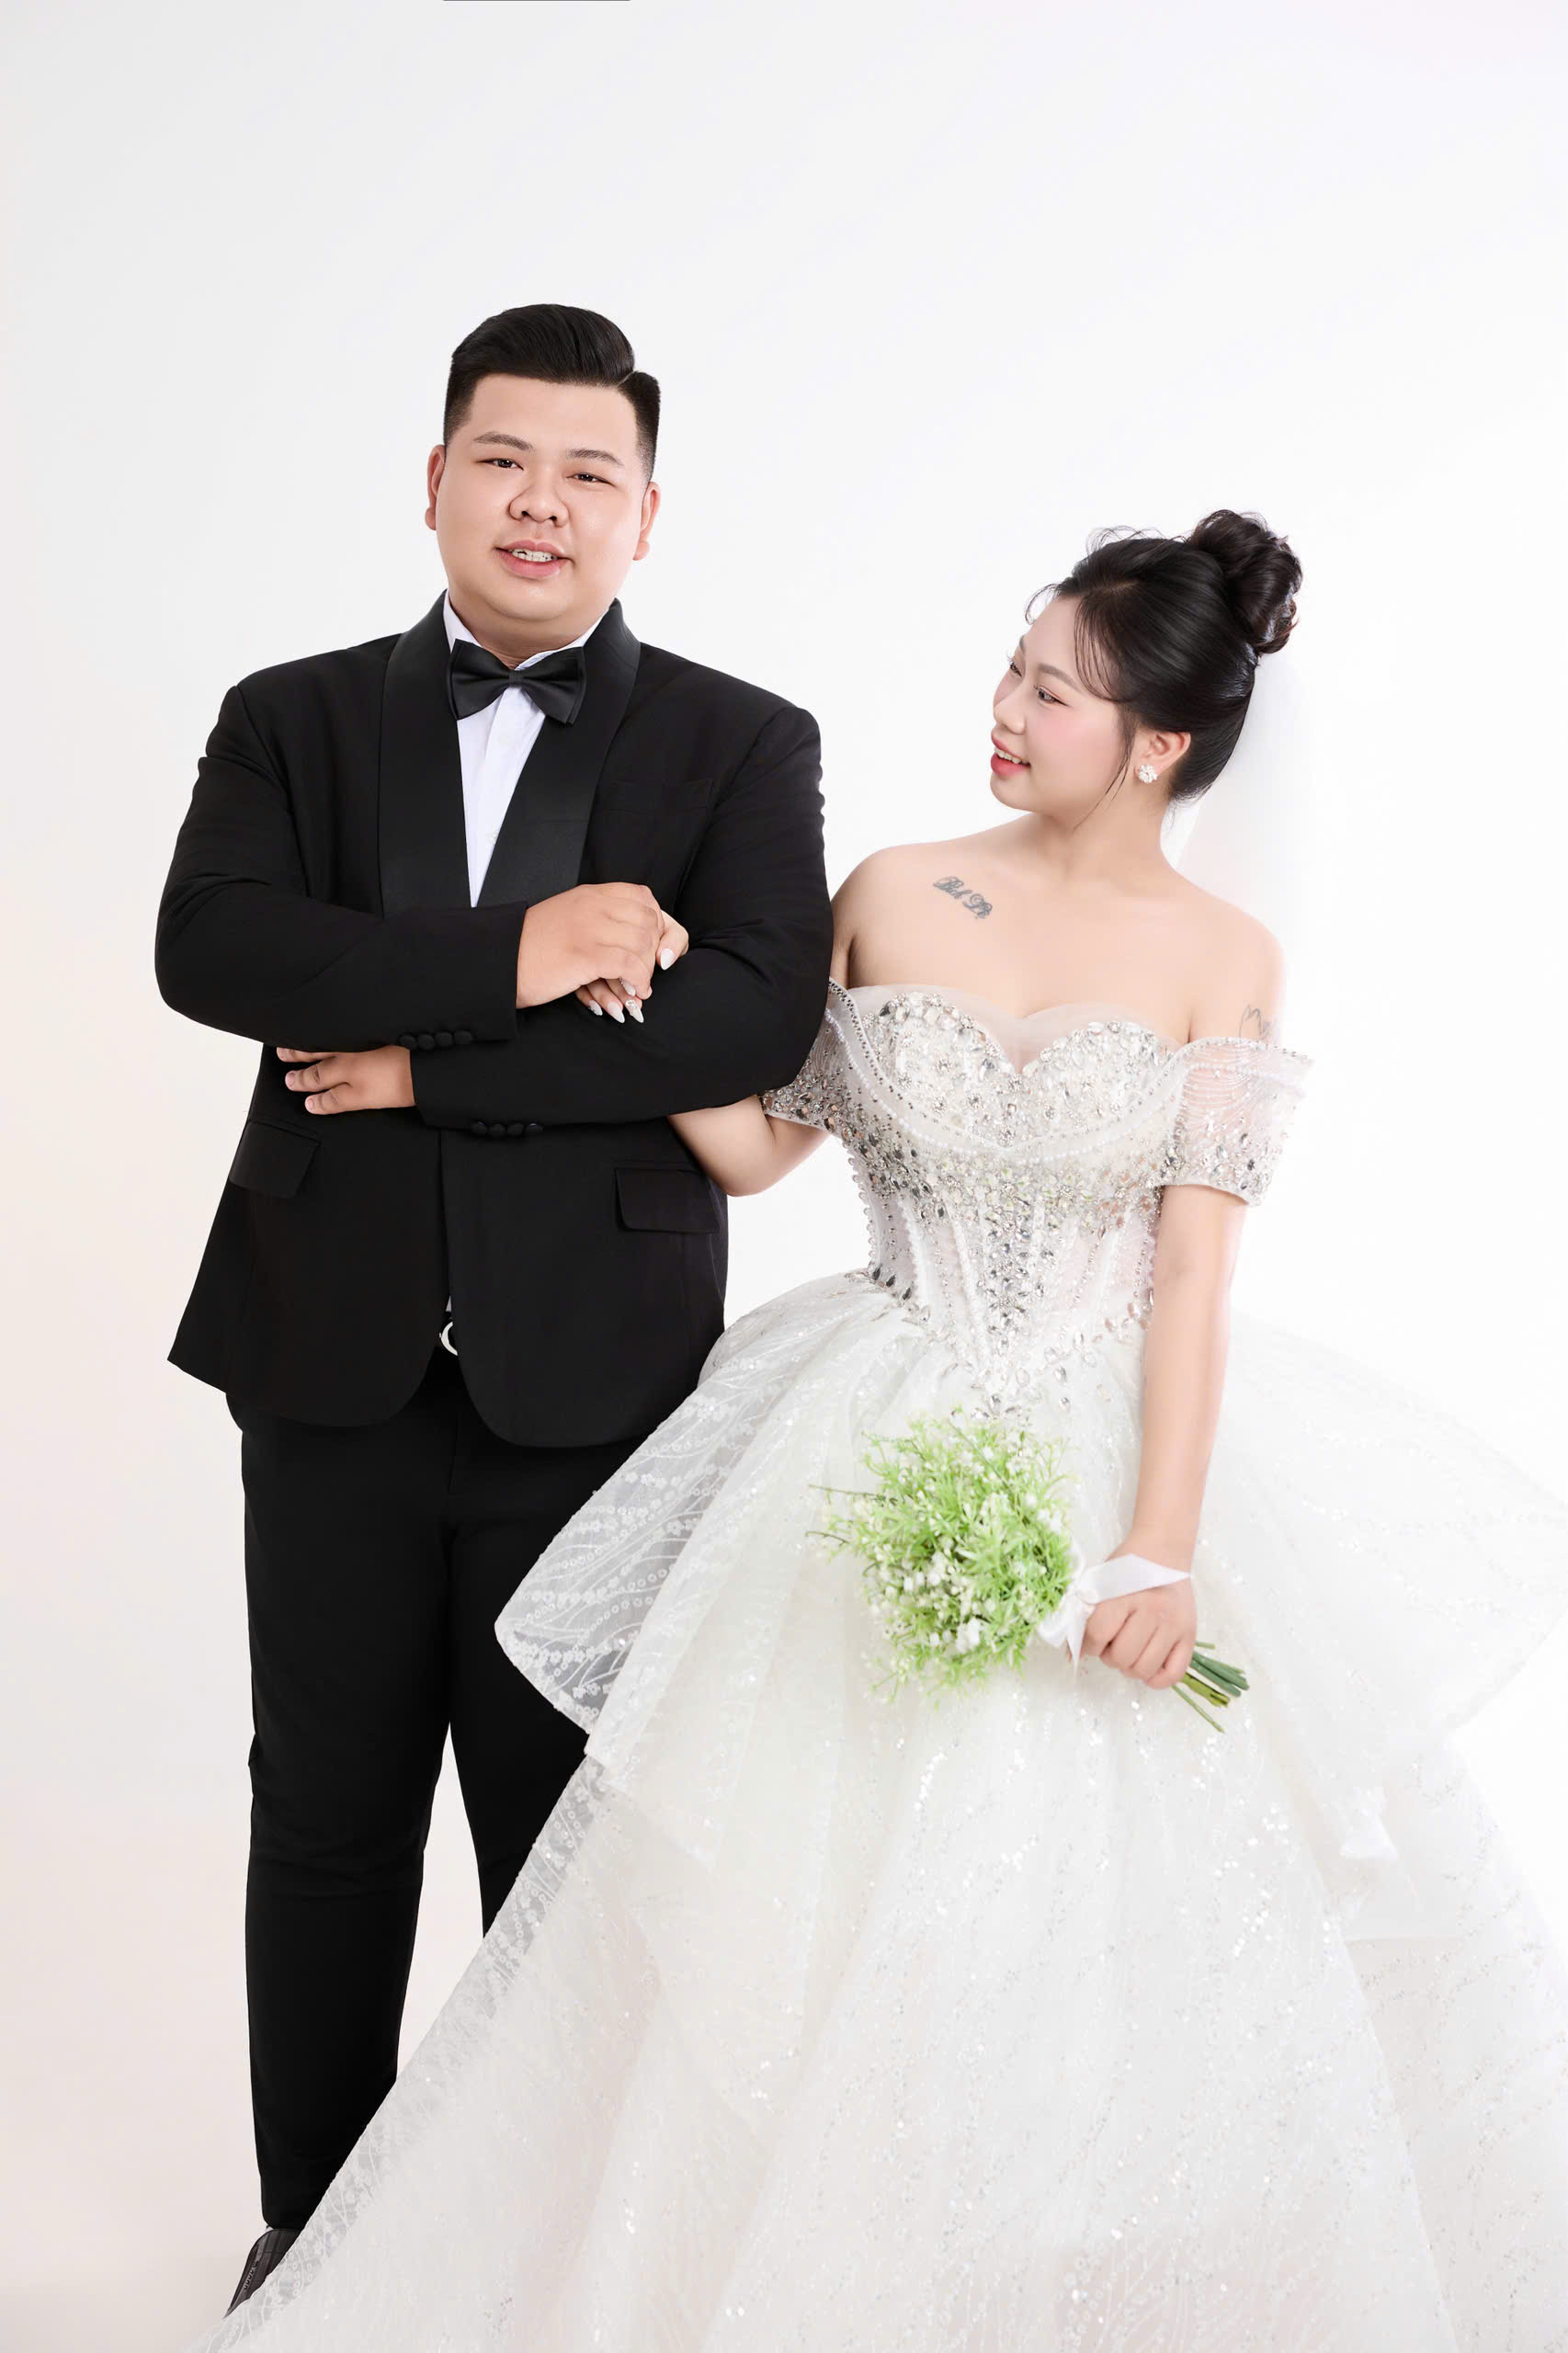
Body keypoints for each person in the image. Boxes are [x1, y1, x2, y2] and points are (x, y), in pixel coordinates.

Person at [182, 511, 1568, 2349]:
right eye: (1010, 666)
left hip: (1102, 1434)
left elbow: (1189, 1278)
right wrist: (616, 1008)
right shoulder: (897, 888)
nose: (1004, 708)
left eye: (1051, 692)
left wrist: (1155, 1547)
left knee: (1085, 1896)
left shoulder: (1221, 954)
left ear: (1154, 742)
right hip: (856, 1420)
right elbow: (758, 1140)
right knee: (784, 1883)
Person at [154, 303, 833, 2311]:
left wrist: (418, 1059)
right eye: (503, 460)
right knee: (328, 1814)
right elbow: (218, 949)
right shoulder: (292, 714)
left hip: (600, 1376)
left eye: (587, 471)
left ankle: (536, 2252)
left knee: (562, 1841)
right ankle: (315, 2236)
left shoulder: (740, 739)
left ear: (646, 513)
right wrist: (526, 953)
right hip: (326, 1353)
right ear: (436, 480)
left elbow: (749, 1021)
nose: (541, 502)